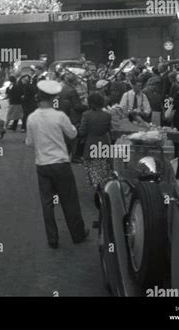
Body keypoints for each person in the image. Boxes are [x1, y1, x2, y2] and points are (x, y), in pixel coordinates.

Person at [25, 80, 89, 249]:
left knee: (47, 202)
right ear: (53, 97)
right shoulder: (59, 116)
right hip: (60, 163)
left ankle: (52, 239)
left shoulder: (32, 118)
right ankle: (77, 234)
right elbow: (73, 134)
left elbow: (29, 142)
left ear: (39, 97)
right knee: (69, 200)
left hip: (42, 164)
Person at [77, 93, 113, 188]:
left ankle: (98, 189)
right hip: (104, 143)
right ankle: (105, 188)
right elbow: (109, 129)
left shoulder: (86, 115)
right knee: (104, 168)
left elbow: (82, 132)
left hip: (91, 144)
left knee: (94, 169)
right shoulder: (108, 115)